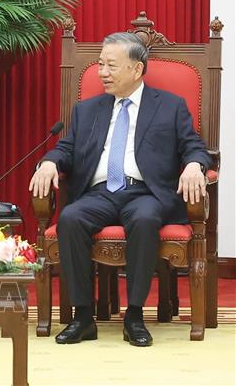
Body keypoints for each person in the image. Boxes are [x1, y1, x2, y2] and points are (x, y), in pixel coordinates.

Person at [29, 32, 210, 347]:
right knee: (71, 218)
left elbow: (194, 146)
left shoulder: (170, 106)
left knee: (144, 219)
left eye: (110, 66)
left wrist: (195, 166)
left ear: (137, 69)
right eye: (100, 64)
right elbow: (66, 149)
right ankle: (83, 318)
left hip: (145, 193)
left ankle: (134, 317)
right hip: (98, 193)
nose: (102, 72)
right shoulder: (88, 110)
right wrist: (48, 163)